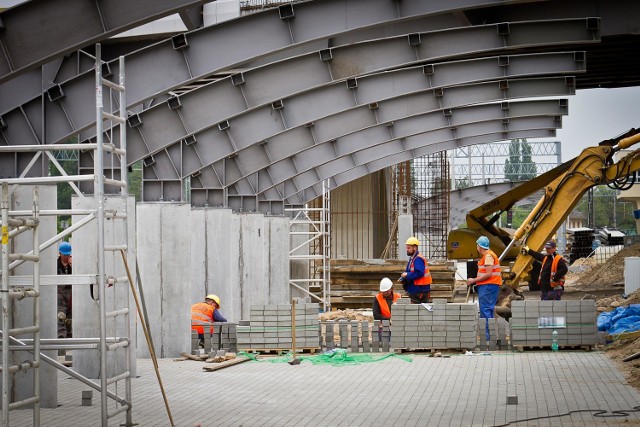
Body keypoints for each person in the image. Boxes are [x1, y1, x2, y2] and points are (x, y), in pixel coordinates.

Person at [467, 236, 501, 342]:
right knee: (487, 311)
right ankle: (489, 337)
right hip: (489, 286)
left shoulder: (488, 256)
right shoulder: (488, 255)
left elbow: (488, 273)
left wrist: (473, 280)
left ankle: (487, 338)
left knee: (485, 311)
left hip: (488, 286)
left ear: (479, 246)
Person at [400, 236, 432, 304]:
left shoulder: (418, 259)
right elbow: (410, 271)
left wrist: (407, 274)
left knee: (415, 312)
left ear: (415, 248)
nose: (407, 250)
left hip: (419, 290)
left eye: (409, 248)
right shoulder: (413, 258)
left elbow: (419, 273)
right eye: (406, 248)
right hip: (417, 289)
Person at [57, 241, 72, 339]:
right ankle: (61, 335)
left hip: (71, 292)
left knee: (70, 316)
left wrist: (73, 266)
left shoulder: (73, 264)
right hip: (60, 292)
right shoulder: (56, 264)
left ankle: (70, 334)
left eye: (68, 255)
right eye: (64, 255)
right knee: (61, 314)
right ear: (60, 253)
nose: (66, 257)